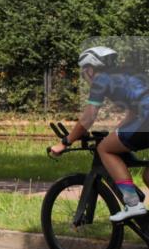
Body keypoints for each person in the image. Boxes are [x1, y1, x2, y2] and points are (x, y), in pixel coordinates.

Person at [49, 46, 149, 221]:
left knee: (104, 149)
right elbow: (133, 113)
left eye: (84, 71)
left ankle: (133, 203)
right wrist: (115, 134)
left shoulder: (101, 79)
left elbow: (88, 118)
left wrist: (65, 142)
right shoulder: (126, 74)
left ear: (90, 69)